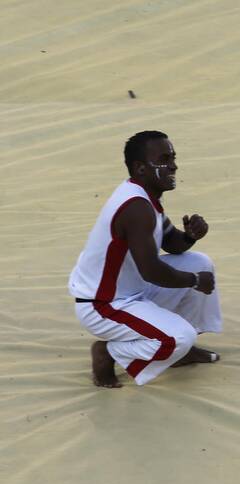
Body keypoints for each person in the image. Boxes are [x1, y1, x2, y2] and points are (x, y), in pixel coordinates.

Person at [68, 130, 222, 388]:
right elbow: (152, 271)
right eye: (164, 159)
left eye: (173, 157)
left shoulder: (145, 197)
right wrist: (194, 281)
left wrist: (190, 237)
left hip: (130, 291)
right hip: (103, 305)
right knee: (175, 338)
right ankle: (108, 353)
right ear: (140, 168)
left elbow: (172, 243)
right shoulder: (136, 208)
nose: (173, 165)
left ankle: (181, 352)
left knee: (200, 261)